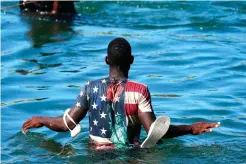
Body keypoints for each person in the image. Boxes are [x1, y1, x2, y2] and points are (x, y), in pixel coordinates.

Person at [22, 38, 220, 149]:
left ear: (106, 60)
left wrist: (41, 119)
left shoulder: (90, 87)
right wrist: (191, 128)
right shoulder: (139, 90)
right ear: (132, 60)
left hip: (96, 155)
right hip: (131, 155)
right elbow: (155, 132)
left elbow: (67, 124)